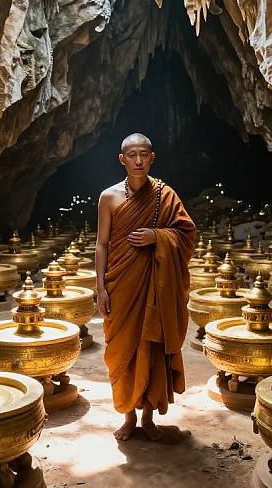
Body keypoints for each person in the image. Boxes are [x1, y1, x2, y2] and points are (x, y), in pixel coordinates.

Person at [95, 132, 196, 441]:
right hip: (122, 284)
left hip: (155, 286)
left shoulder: (166, 195)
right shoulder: (109, 197)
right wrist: (100, 287)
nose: (138, 160)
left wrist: (158, 237)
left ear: (152, 158)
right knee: (122, 351)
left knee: (152, 347)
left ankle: (149, 418)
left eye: (144, 154)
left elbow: (187, 234)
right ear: (121, 159)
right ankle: (128, 416)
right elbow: (101, 245)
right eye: (132, 155)